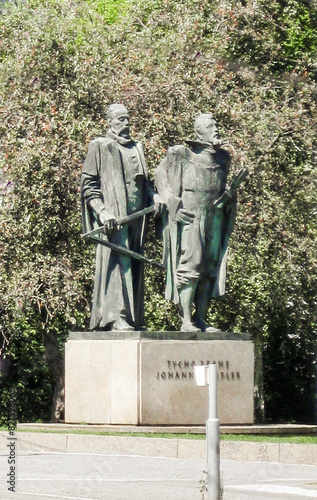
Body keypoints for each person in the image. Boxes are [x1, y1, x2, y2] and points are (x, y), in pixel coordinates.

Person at [155, 113, 246, 332]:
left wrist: (232, 191)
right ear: (199, 132)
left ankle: (201, 320)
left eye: (216, 125)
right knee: (191, 266)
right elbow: (161, 175)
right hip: (191, 217)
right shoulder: (181, 154)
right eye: (210, 126)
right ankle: (186, 320)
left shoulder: (223, 159)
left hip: (213, 218)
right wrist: (171, 203)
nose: (216, 129)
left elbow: (221, 197)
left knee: (210, 266)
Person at [81, 104, 159, 331]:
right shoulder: (100, 146)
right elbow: (88, 185)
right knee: (117, 263)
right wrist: (102, 211)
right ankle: (116, 317)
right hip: (114, 218)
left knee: (134, 263)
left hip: (137, 218)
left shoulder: (138, 148)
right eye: (120, 120)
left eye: (127, 119)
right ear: (109, 122)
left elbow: (146, 185)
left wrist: (155, 197)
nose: (125, 124)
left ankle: (133, 319)